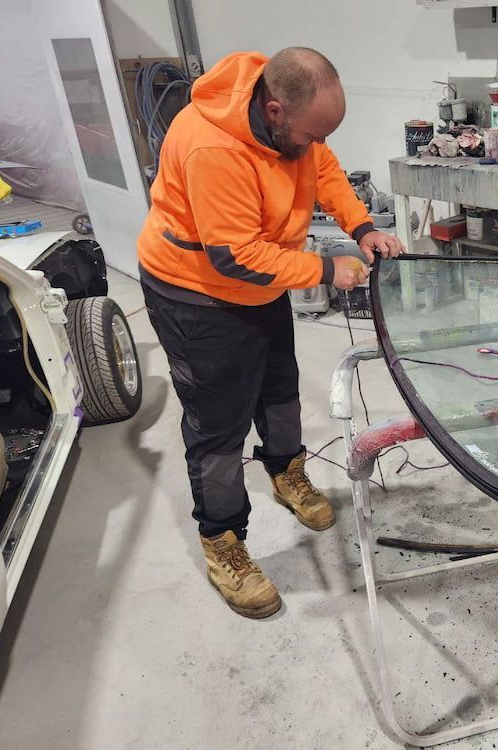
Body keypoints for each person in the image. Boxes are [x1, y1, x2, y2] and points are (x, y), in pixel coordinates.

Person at [137, 47, 403, 619]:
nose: (313, 145)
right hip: (196, 293)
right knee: (218, 423)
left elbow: (323, 169)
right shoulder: (211, 146)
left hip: (259, 282)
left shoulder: (294, 125)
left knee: (280, 387)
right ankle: (222, 541)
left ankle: (286, 473)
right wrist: (325, 269)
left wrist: (360, 226)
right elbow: (234, 257)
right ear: (276, 110)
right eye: (309, 134)